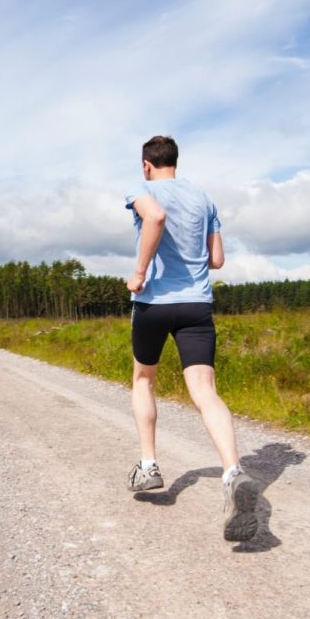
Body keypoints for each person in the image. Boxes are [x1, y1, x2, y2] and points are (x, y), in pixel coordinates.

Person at [124, 135, 259, 542]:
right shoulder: (203, 198)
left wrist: (140, 272)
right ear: (175, 162)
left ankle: (149, 466)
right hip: (197, 305)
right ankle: (233, 471)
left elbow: (156, 217)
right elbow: (216, 259)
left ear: (147, 164)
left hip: (153, 303)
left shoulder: (142, 190)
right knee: (205, 391)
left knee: (144, 379)